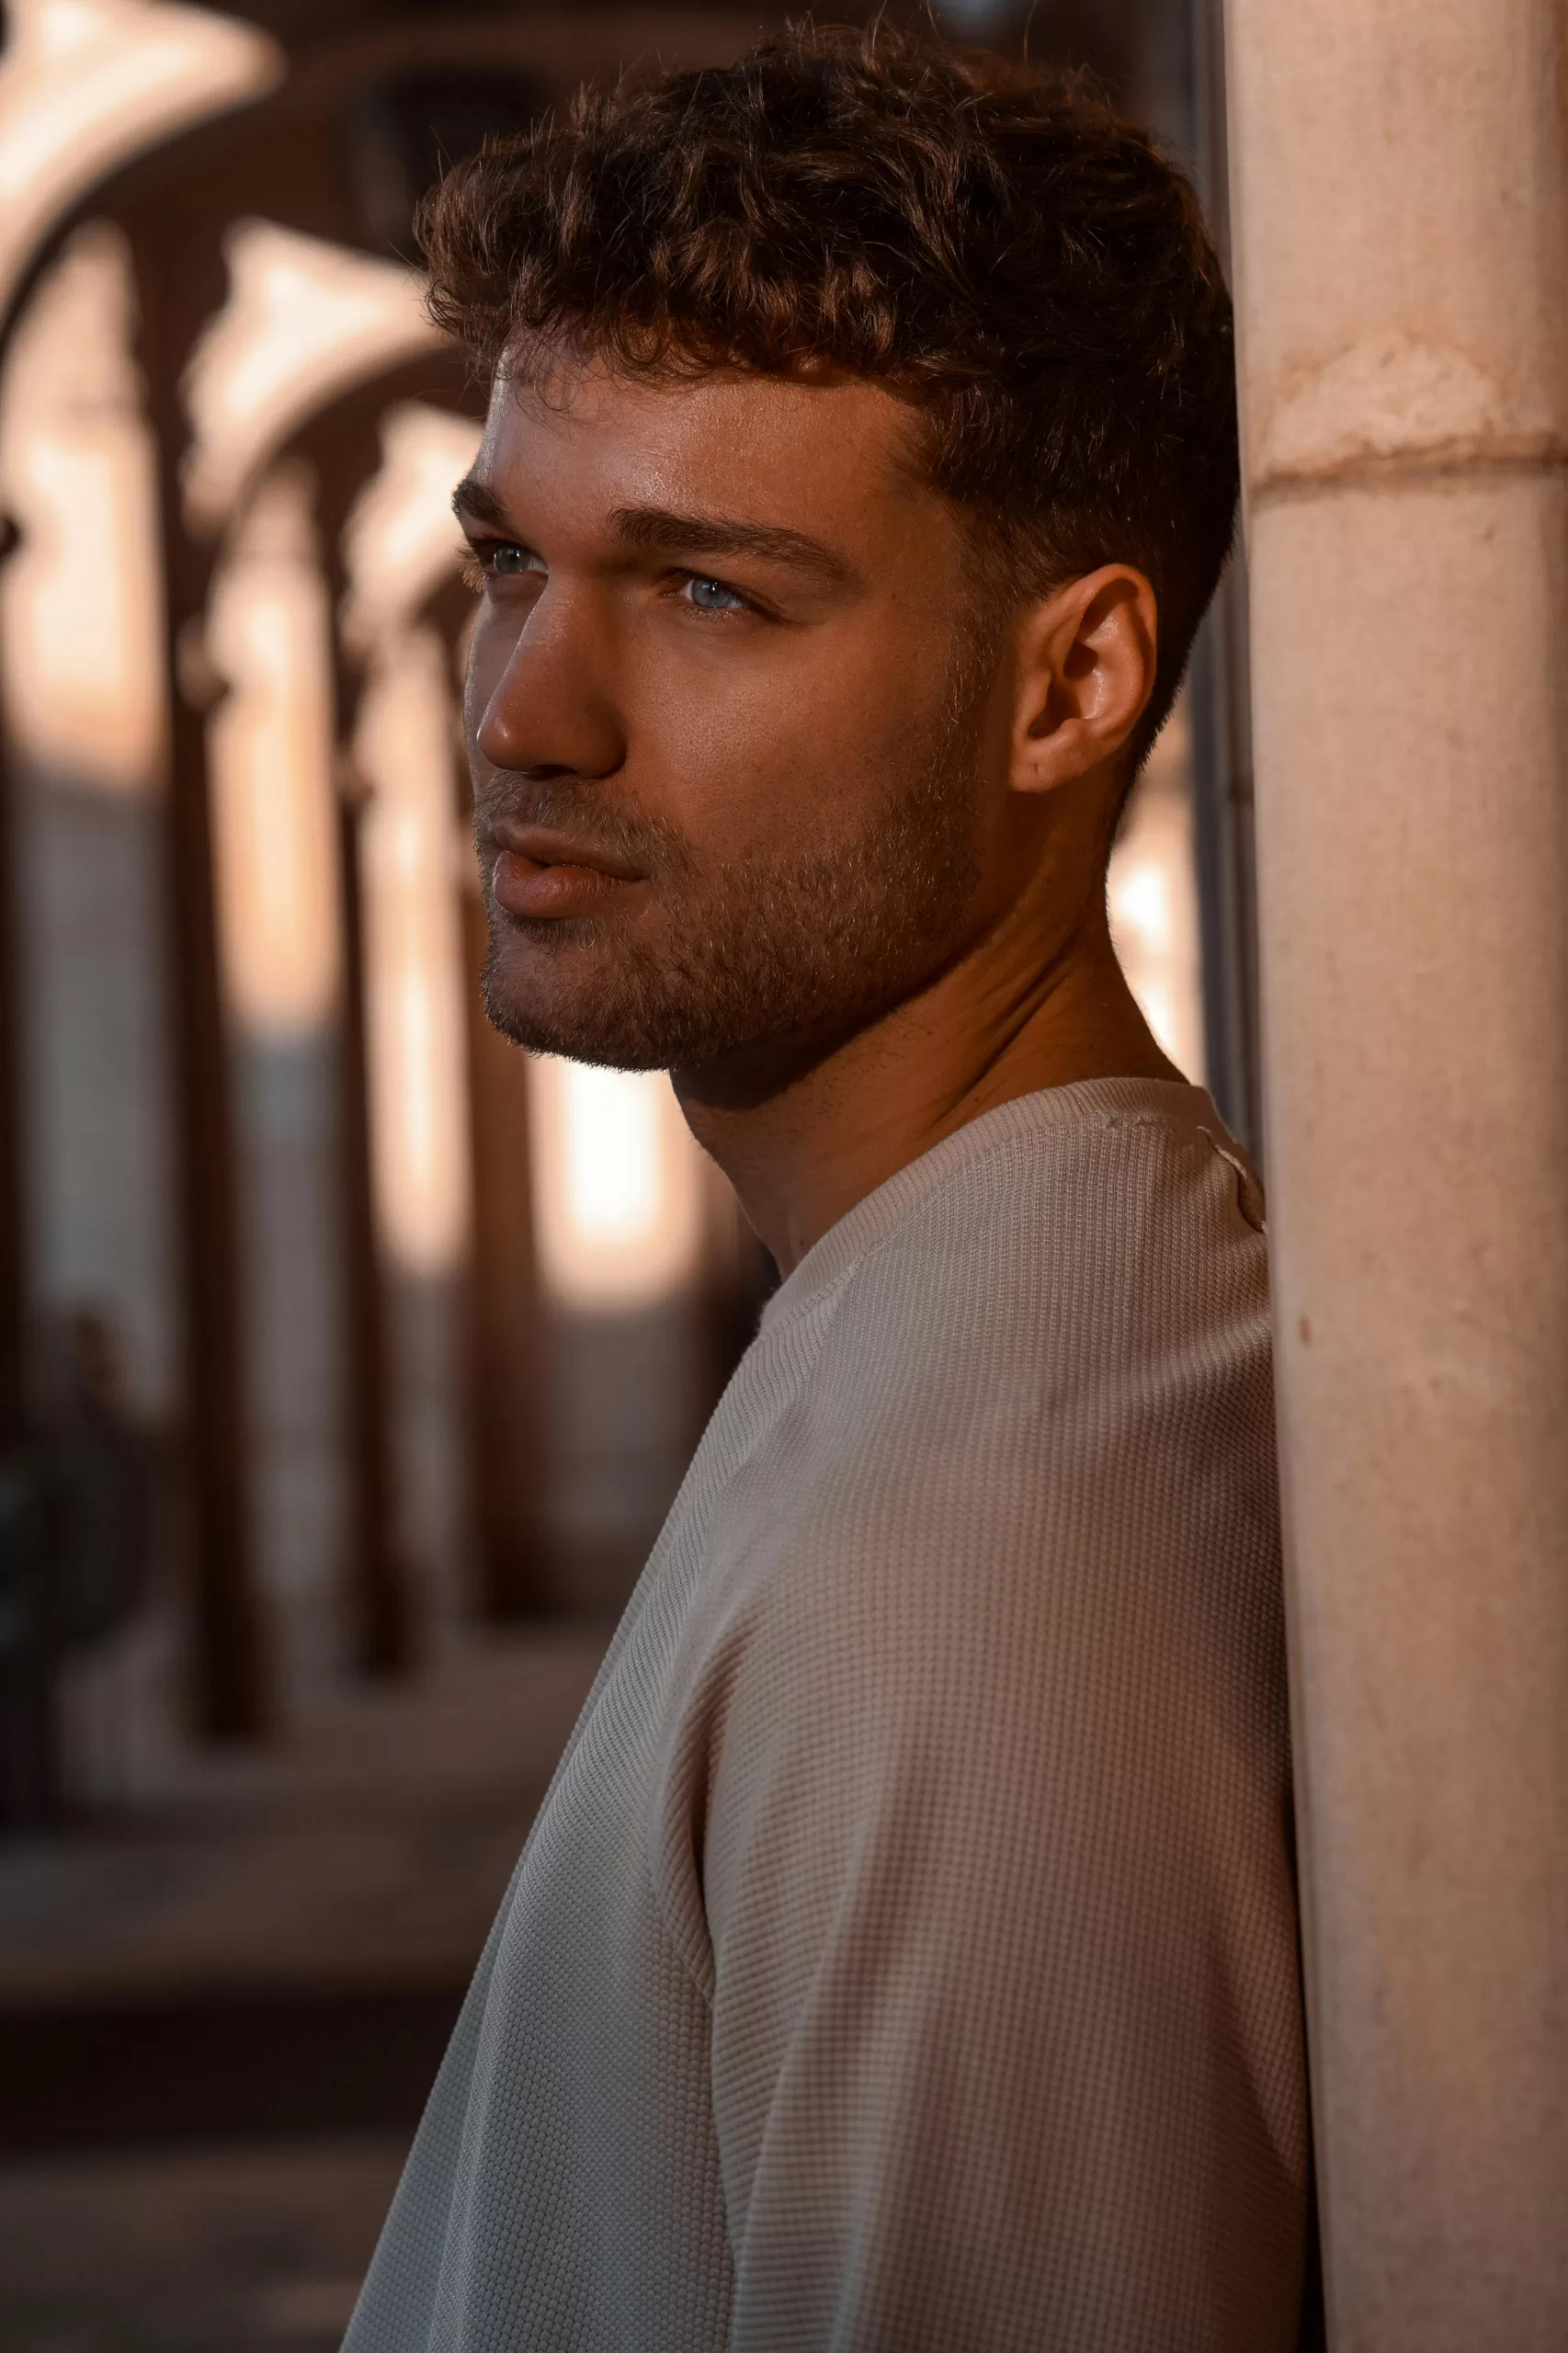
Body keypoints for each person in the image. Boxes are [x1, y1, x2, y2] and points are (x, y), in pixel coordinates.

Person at [346, 24, 1313, 2350]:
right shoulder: (961, 1312)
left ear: (1069, 682)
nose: (518, 716)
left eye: (702, 594)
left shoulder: (976, 1545)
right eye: (511, 563)